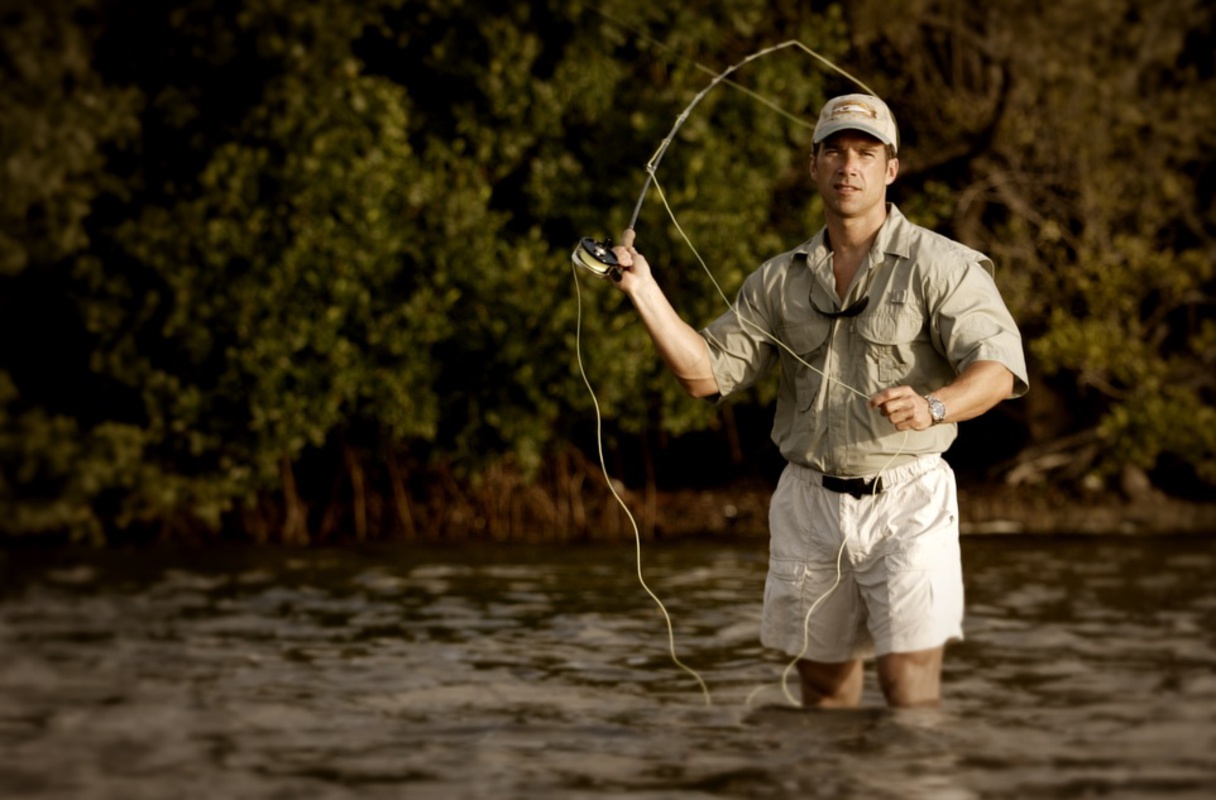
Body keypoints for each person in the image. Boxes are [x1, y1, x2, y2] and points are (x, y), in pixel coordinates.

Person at [610, 94, 1028, 709]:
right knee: (825, 694)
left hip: (909, 499)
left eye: (866, 153)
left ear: (891, 169)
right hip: (807, 502)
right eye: (834, 151)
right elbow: (705, 376)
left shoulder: (944, 265)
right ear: (814, 166)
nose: (848, 166)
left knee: (908, 687)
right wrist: (643, 290)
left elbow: (999, 370)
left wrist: (934, 406)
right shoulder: (778, 279)